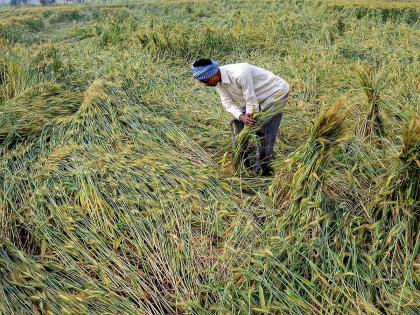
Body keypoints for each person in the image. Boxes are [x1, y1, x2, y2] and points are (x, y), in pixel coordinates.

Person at [191, 59, 289, 176]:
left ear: (213, 73)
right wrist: (241, 116)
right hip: (255, 97)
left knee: (263, 128)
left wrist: (249, 116)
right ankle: (241, 157)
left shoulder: (240, 73)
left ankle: (263, 166)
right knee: (236, 123)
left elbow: (250, 98)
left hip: (274, 93)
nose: (206, 85)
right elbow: (227, 103)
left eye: (206, 81)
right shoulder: (218, 82)